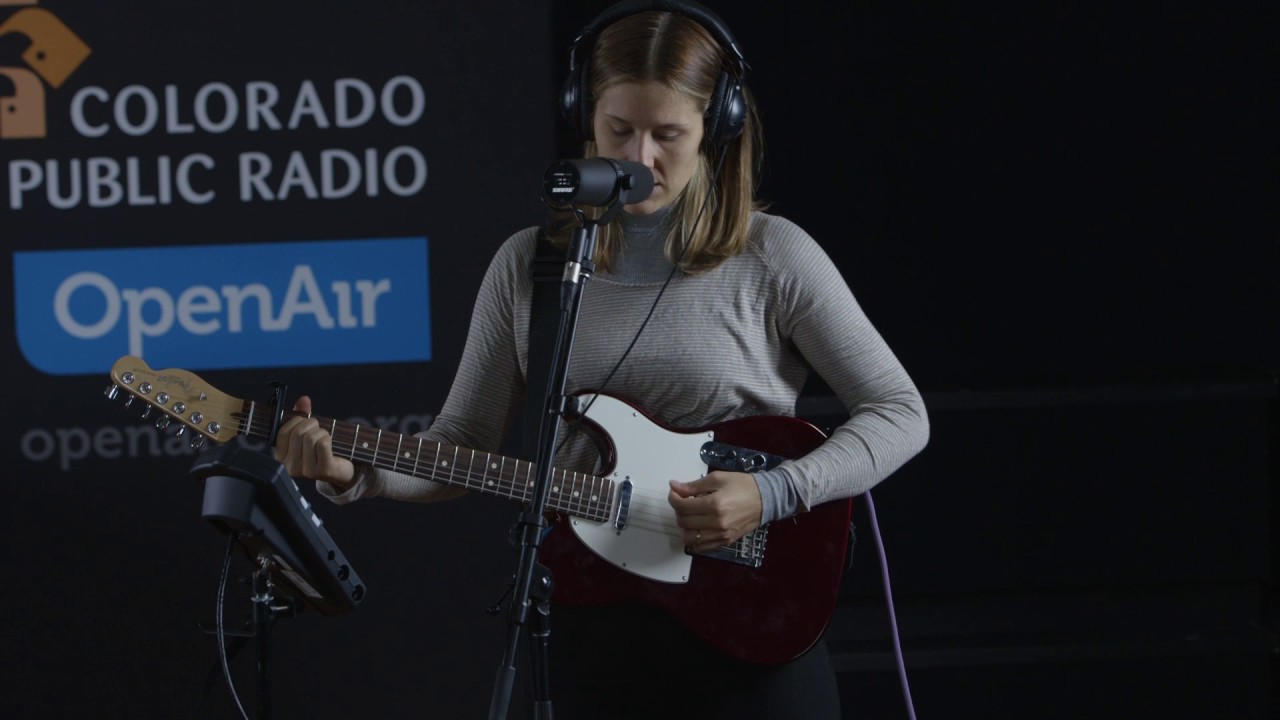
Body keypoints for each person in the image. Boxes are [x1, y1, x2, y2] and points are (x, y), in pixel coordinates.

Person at [275, 1, 929, 717]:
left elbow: (901, 412)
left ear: (716, 128)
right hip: (593, 633)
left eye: (667, 135)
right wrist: (352, 474)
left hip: (753, 632)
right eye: (619, 129)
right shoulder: (530, 266)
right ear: (584, 116)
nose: (638, 158)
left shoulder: (774, 256)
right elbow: (461, 444)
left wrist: (773, 493)